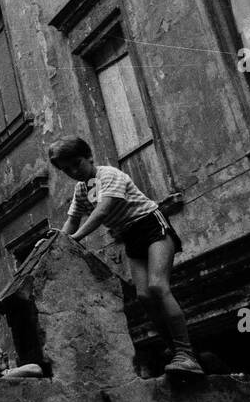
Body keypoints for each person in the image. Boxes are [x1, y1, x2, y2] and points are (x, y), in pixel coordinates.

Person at [48, 136, 203, 375]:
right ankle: (175, 350)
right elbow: (71, 220)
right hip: (131, 237)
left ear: (89, 156)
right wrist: (55, 242)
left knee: (158, 287)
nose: (73, 171)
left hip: (151, 225)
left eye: (76, 164)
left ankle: (186, 353)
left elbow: (101, 212)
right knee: (143, 296)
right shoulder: (81, 190)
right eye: (66, 170)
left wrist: (75, 239)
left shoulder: (108, 175)